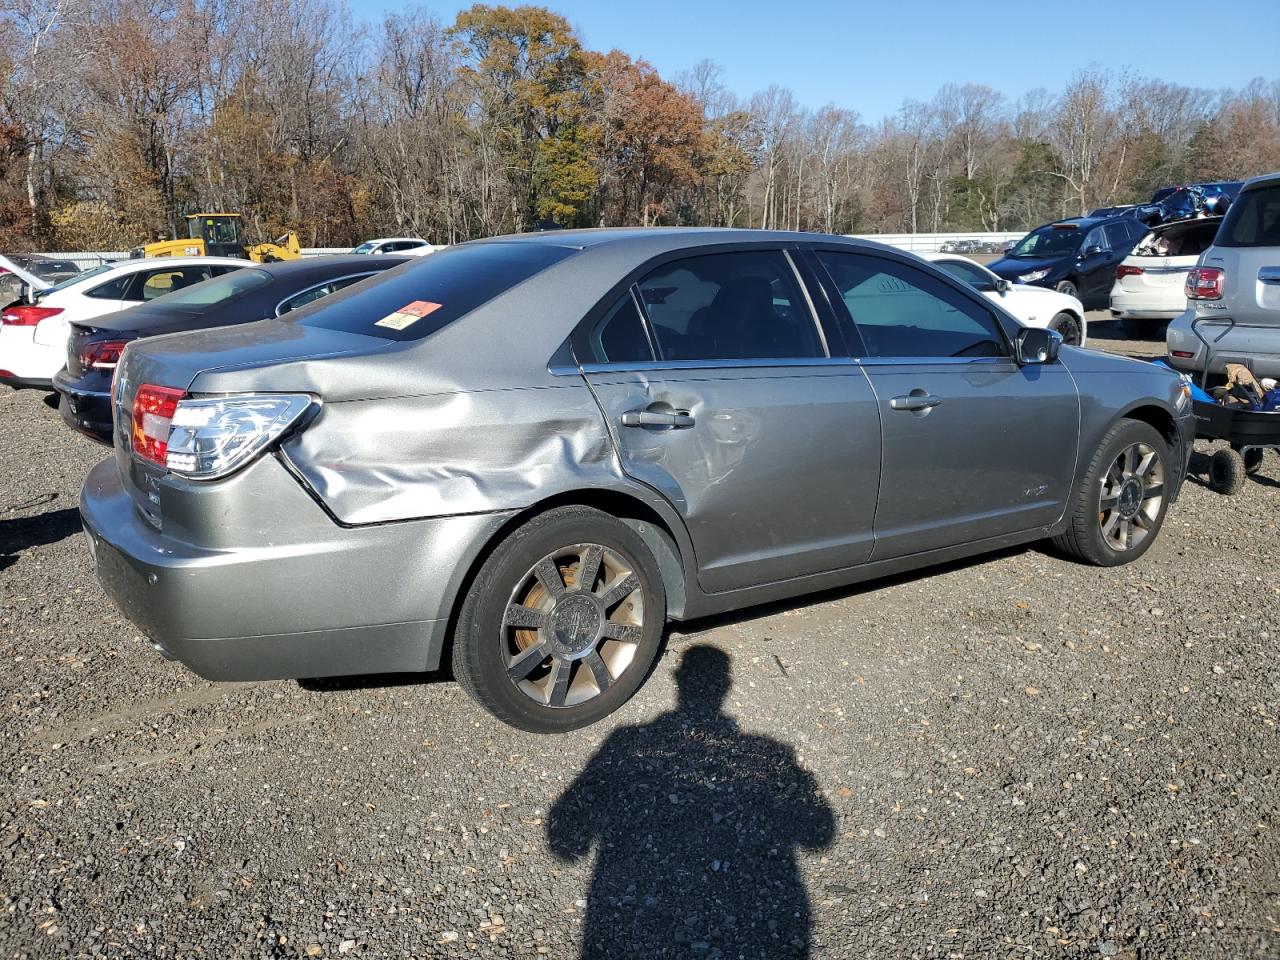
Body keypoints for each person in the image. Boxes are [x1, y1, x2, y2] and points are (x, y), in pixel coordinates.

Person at [549, 644, 835, 959]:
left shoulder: (627, 742)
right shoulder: (769, 752)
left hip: (632, 926)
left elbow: (565, 843)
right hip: (742, 927)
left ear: (677, 680)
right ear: (726, 686)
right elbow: (818, 834)